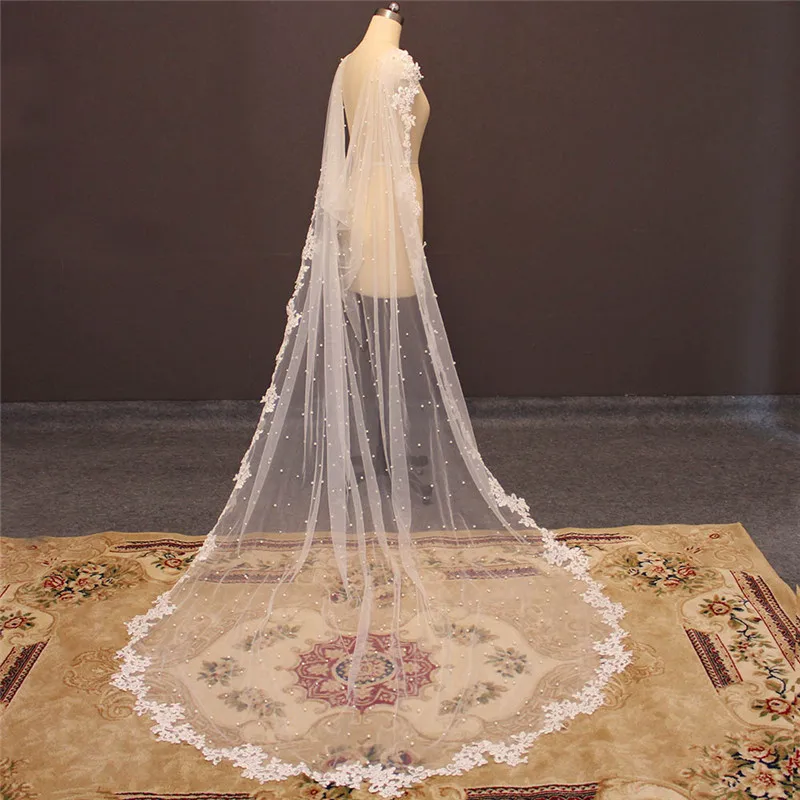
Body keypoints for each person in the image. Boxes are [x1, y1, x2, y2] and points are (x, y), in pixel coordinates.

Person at [112, 6, 632, 797]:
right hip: (389, 221)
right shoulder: (392, 63)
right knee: (392, 340)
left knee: (386, 345)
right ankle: (387, 462)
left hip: (370, 216)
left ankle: (381, 459)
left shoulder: (349, 63)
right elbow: (398, 150)